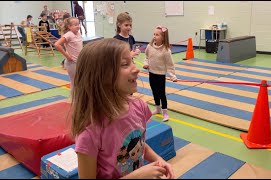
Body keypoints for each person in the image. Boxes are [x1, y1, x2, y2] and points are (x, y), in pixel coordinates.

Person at [71, 38, 175, 179]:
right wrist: (137, 176)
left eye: (132, 61)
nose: (136, 69)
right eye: (125, 64)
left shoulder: (139, 107)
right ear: (101, 76)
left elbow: (139, 144)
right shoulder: (91, 131)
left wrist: (159, 160)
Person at [143, 25, 178, 122]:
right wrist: (146, 64)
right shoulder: (149, 47)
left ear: (163, 37)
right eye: (154, 34)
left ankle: (165, 112)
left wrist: (172, 76)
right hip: (151, 73)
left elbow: (170, 64)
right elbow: (146, 57)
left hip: (160, 75)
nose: (155, 36)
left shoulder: (166, 50)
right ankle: (157, 108)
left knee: (162, 93)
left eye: (157, 35)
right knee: (154, 91)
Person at [54, 17, 83, 95]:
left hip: (79, 61)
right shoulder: (68, 35)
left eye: (78, 24)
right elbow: (57, 44)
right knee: (74, 82)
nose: (78, 26)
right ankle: (75, 100)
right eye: (75, 25)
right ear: (69, 26)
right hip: (72, 63)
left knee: (81, 81)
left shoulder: (78, 34)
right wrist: (67, 56)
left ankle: (80, 98)